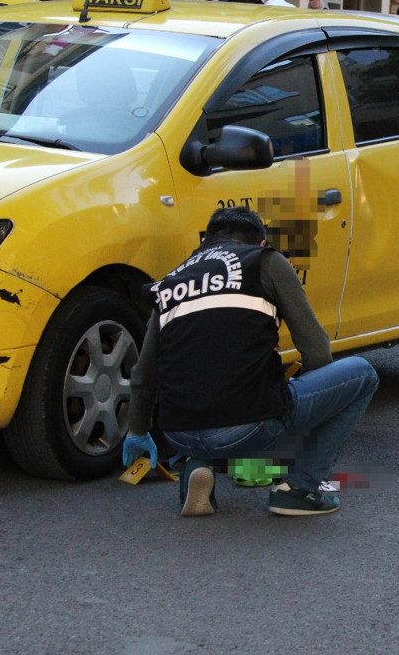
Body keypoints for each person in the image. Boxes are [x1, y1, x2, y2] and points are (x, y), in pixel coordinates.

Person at [122, 207, 379, 517]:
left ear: (207, 241)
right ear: (259, 244)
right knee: (362, 375)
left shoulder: (170, 281)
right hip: (248, 426)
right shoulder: (266, 262)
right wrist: (295, 416)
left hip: (178, 433)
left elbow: (144, 374)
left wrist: (136, 431)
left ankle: (196, 466)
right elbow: (317, 352)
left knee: (210, 401)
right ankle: (299, 489)